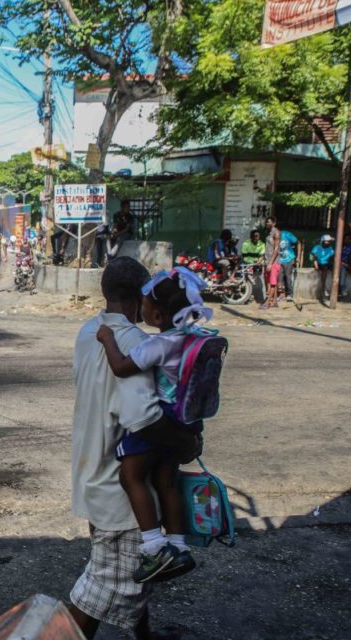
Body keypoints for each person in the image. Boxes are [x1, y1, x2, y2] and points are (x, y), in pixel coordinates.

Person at [70, 257, 202, 639]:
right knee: (106, 587)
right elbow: (143, 417)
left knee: (132, 574)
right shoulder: (138, 344)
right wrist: (188, 442)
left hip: (92, 474)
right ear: (138, 298)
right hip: (120, 488)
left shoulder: (88, 331)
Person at [96, 267, 215, 583]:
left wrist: (108, 337)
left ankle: (153, 547)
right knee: (166, 480)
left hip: (160, 420)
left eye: (145, 303)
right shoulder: (191, 337)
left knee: (130, 474)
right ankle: (178, 546)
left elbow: (121, 368)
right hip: (185, 421)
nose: (141, 306)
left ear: (159, 314)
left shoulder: (159, 344)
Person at [261, 216, 282, 310]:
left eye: (269, 222)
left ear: (274, 223)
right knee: (269, 281)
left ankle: (267, 302)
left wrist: (270, 263)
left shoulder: (276, 233)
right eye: (266, 222)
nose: (267, 224)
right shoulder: (268, 233)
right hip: (268, 260)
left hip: (274, 262)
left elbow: (276, 249)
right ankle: (275, 302)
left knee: (272, 283)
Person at [309, 234, 335, 302]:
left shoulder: (330, 248)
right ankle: (323, 292)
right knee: (324, 271)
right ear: (323, 241)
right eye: (327, 241)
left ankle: (333, 290)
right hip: (318, 263)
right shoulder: (317, 247)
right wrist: (316, 266)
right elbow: (313, 257)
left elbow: (332, 258)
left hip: (326, 264)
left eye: (329, 241)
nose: (329, 243)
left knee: (331, 269)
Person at [278, 228, 300, 302]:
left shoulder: (286, 234)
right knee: (280, 277)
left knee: (288, 276)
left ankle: (289, 294)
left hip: (289, 258)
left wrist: (298, 257)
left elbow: (297, 242)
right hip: (279, 260)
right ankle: (281, 294)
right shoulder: (273, 236)